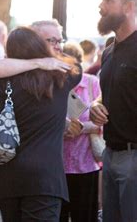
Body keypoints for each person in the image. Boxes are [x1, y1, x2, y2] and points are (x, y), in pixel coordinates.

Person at [0, 26, 81, 222]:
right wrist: (41, 62)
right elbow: (76, 66)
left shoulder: (4, 82)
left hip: (9, 177)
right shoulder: (62, 76)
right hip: (46, 180)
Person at [90, 0, 137, 222]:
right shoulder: (109, 50)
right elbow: (105, 93)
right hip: (109, 155)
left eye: (108, 1)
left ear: (129, 7)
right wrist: (96, 105)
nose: (101, 6)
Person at [60, 42, 101, 222]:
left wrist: (81, 128)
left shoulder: (93, 84)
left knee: (85, 216)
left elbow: (105, 122)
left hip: (85, 165)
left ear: (79, 62)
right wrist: (61, 127)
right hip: (57, 167)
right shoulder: (54, 85)